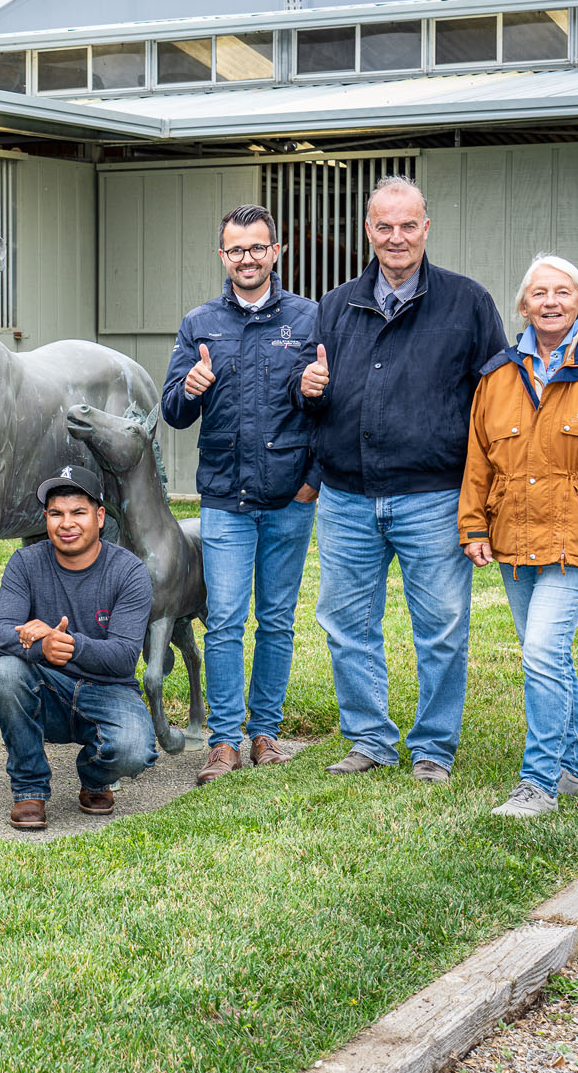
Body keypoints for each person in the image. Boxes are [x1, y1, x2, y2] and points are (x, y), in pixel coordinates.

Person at [296, 174, 507, 782]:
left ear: (426, 228)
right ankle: (370, 739)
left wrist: (484, 495)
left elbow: (495, 403)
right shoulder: (335, 305)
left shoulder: (467, 303)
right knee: (346, 623)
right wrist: (304, 389)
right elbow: (313, 394)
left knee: (440, 627)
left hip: (433, 497)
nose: (396, 238)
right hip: (348, 497)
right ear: (368, 230)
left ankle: (435, 748)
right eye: (383, 226)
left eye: (407, 225)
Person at [459, 255, 578, 817]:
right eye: (539, 293)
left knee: (543, 650)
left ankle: (538, 782)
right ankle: (572, 770)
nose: (550, 302)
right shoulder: (498, 372)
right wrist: (473, 524)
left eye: (563, 292)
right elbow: (478, 456)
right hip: (514, 537)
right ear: (523, 306)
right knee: (549, 655)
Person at [160, 205, 319, 786]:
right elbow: (173, 412)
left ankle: (265, 733)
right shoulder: (200, 323)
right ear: (222, 256)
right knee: (224, 620)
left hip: (287, 499)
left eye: (257, 248)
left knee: (276, 620)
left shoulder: (308, 319)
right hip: (225, 498)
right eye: (235, 249)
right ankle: (224, 741)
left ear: (275, 252)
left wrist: (312, 481)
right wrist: (189, 386)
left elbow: (330, 407)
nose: (247, 258)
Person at [0, 466, 157, 829]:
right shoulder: (26, 563)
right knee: (6, 673)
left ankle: (95, 778)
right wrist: (42, 648)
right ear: (45, 518)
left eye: (78, 512)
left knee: (134, 751)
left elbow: (124, 657)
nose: (67, 523)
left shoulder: (129, 571)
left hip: (110, 690)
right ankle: (29, 788)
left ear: (99, 516)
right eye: (56, 513)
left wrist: (70, 644)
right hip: (47, 688)